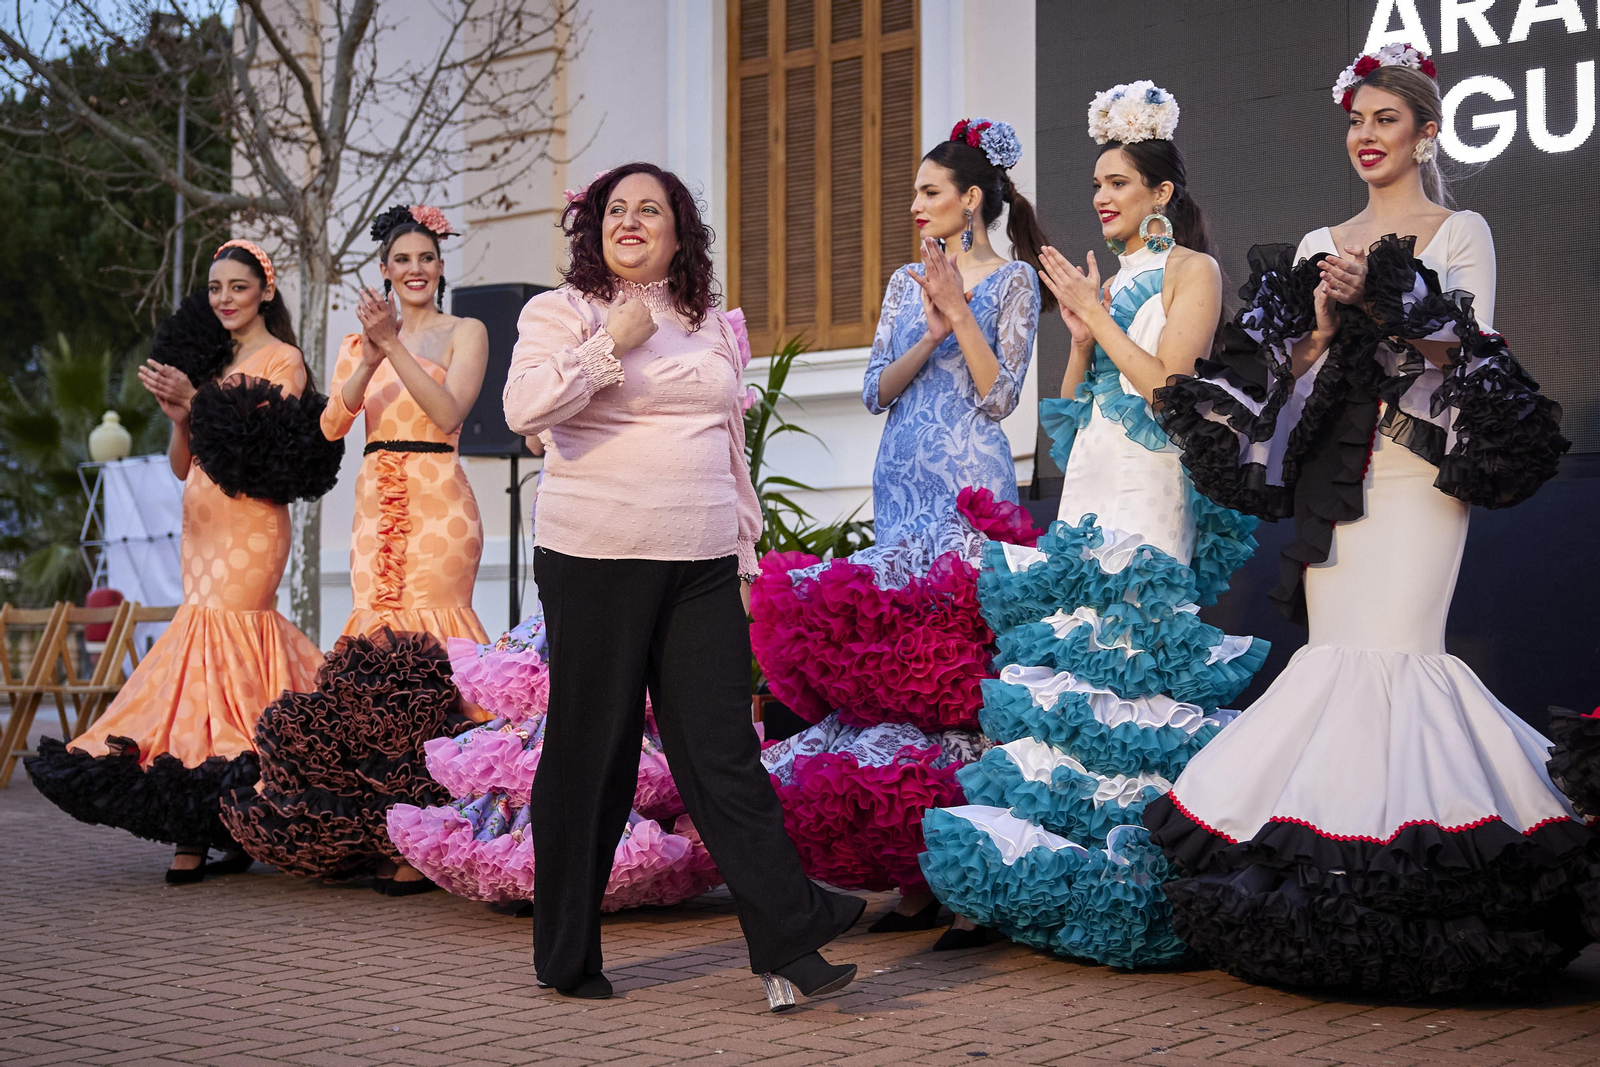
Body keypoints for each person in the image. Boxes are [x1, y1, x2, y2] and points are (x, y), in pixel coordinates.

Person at [1145, 45, 1584, 996]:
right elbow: (1294, 375)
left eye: (1388, 120)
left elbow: (1465, 345)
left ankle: (1441, 890)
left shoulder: (1460, 227)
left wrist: (1378, 296)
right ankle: (1339, 895)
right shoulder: (1316, 242)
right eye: (1357, 120)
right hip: (1335, 478)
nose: (1367, 137)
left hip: (1422, 478)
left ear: (1426, 132)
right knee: (1336, 663)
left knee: (1398, 656)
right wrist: (1314, 325)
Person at [917, 83, 1267, 967]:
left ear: (1159, 191)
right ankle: (1053, 883)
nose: (1103, 196)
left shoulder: (1194, 270)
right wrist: (1076, 339)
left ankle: (1138, 885)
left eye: (1118, 182)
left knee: (1133, 673)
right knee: (1073, 664)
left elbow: (1167, 390)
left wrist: (1101, 315)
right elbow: (1068, 424)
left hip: (1154, 486)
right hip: (1093, 484)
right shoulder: (1111, 280)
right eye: (1097, 182)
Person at [501, 162, 863, 1008]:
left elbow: (730, 447)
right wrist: (609, 345)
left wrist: (743, 555)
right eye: (615, 209)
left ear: (677, 231)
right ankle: (565, 953)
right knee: (595, 755)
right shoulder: (560, 311)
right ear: (594, 229)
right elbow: (525, 407)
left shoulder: (706, 322)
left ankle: (789, 944)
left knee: (725, 752)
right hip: (594, 556)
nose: (630, 221)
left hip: (699, 562)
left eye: (648, 209)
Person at [750, 118, 1045, 948]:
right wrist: (929, 325)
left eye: (928, 192)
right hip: (902, 477)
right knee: (899, 679)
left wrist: (964, 310)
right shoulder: (899, 281)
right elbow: (877, 388)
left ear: (970, 201)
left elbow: (999, 395)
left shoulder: (1016, 279)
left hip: (971, 483)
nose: (915, 206)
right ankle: (916, 877)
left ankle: (969, 877)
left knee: (959, 677)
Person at [26, 240, 341, 883]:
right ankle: (205, 819)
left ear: (265, 292)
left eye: (237, 286)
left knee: (231, 638)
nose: (224, 298)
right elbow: (185, 464)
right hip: (199, 523)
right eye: (215, 287)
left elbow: (253, 451)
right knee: (199, 647)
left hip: (251, 523)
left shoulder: (283, 360)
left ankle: (229, 809)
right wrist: (178, 419)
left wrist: (198, 400)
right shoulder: (213, 358)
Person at [219, 206, 492, 894]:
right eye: (402, 260)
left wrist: (394, 345)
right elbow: (331, 423)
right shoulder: (358, 342)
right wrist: (369, 353)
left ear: (440, 264)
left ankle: (439, 827)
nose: (415, 269)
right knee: (374, 644)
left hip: (439, 499)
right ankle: (378, 827)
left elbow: (449, 410)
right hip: (376, 501)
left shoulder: (469, 331)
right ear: (385, 271)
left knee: (431, 643)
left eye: (425, 257)